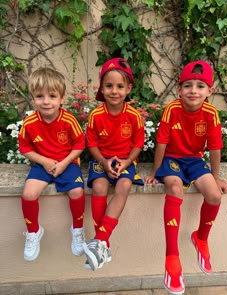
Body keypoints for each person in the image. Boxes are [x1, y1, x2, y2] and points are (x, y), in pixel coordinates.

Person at [145, 60, 227, 295]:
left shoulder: (211, 113)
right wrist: (155, 171)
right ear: (179, 89)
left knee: (213, 195)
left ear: (209, 91)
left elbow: (214, 148)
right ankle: (172, 257)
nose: (194, 90)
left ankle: (201, 238)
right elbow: (161, 141)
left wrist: (215, 177)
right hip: (171, 158)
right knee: (174, 187)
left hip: (193, 160)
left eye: (200, 86)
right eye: (188, 85)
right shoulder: (172, 109)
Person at [83, 57, 145, 271]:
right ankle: (103, 244)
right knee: (99, 186)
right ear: (102, 88)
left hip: (125, 160)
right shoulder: (96, 115)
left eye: (120, 86)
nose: (114, 91)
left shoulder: (134, 116)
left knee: (124, 186)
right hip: (102, 159)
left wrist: (126, 161)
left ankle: (99, 238)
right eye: (109, 86)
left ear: (128, 88)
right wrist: (103, 160)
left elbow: (138, 143)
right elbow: (91, 142)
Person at [18, 67, 86, 262]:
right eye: (40, 96)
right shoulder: (30, 123)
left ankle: (78, 229)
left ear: (62, 98)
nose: (46, 101)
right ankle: (33, 232)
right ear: (33, 99)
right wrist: (45, 161)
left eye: (52, 96)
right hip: (42, 164)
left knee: (76, 192)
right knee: (29, 194)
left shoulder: (68, 120)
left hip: (67, 162)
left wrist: (64, 163)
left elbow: (80, 144)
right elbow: (25, 148)